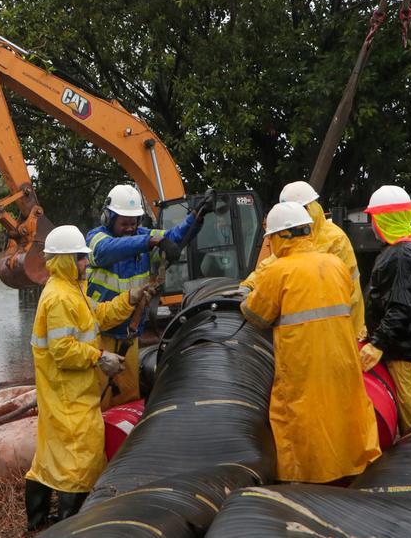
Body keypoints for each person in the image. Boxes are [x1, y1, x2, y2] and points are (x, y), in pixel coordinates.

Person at [25, 225, 159, 530]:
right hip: (67, 392)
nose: (87, 263)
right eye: (81, 259)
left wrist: (129, 298)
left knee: (50, 455)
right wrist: (100, 357)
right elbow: (63, 351)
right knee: (81, 457)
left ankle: (36, 523)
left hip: (69, 390)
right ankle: (69, 527)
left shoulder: (73, 291)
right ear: (64, 260)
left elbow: (98, 316)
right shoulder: (59, 298)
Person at [240, 202, 380, 483]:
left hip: (303, 363)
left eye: (271, 239)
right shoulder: (335, 263)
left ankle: (310, 479)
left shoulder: (277, 271)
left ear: (282, 236)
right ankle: (349, 471)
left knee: (302, 421)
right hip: (341, 359)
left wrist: (243, 296)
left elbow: (256, 315)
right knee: (343, 413)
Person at [85, 184, 213, 408]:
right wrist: (150, 242)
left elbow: (173, 237)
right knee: (98, 401)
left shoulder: (143, 236)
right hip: (98, 336)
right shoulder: (95, 240)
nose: (130, 228)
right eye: (124, 223)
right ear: (108, 218)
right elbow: (108, 250)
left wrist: (196, 217)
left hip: (129, 335)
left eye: (134, 223)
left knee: (128, 397)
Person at [359, 185, 411, 433]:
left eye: (374, 218)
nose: (372, 225)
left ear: (384, 219)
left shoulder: (401, 255)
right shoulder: (403, 250)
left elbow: (401, 307)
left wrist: (378, 343)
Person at [241, 181, 364, 333]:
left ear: (307, 208)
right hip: (323, 327)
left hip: (343, 325)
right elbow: (274, 262)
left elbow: (280, 269)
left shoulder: (333, 239)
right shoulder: (299, 236)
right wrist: (250, 284)